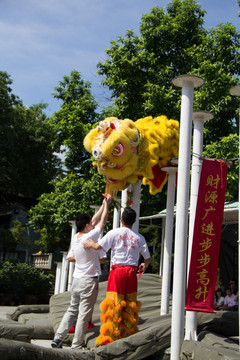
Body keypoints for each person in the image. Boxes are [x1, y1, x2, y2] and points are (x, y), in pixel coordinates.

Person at [51, 195, 111, 350]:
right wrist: (108, 205)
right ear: (86, 226)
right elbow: (102, 222)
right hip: (89, 281)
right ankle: (76, 345)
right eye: (90, 223)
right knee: (84, 314)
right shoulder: (89, 237)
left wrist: (103, 203)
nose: (92, 224)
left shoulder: (76, 238)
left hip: (76, 280)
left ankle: (58, 338)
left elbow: (94, 220)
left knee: (72, 310)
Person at [84, 207, 151, 346]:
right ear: (134, 221)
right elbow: (147, 258)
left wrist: (90, 244)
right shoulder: (139, 237)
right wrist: (144, 265)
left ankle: (111, 336)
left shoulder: (114, 233)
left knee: (115, 302)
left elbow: (98, 247)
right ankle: (128, 333)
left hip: (118, 271)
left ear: (121, 220)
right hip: (132, 272)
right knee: (130, 302)